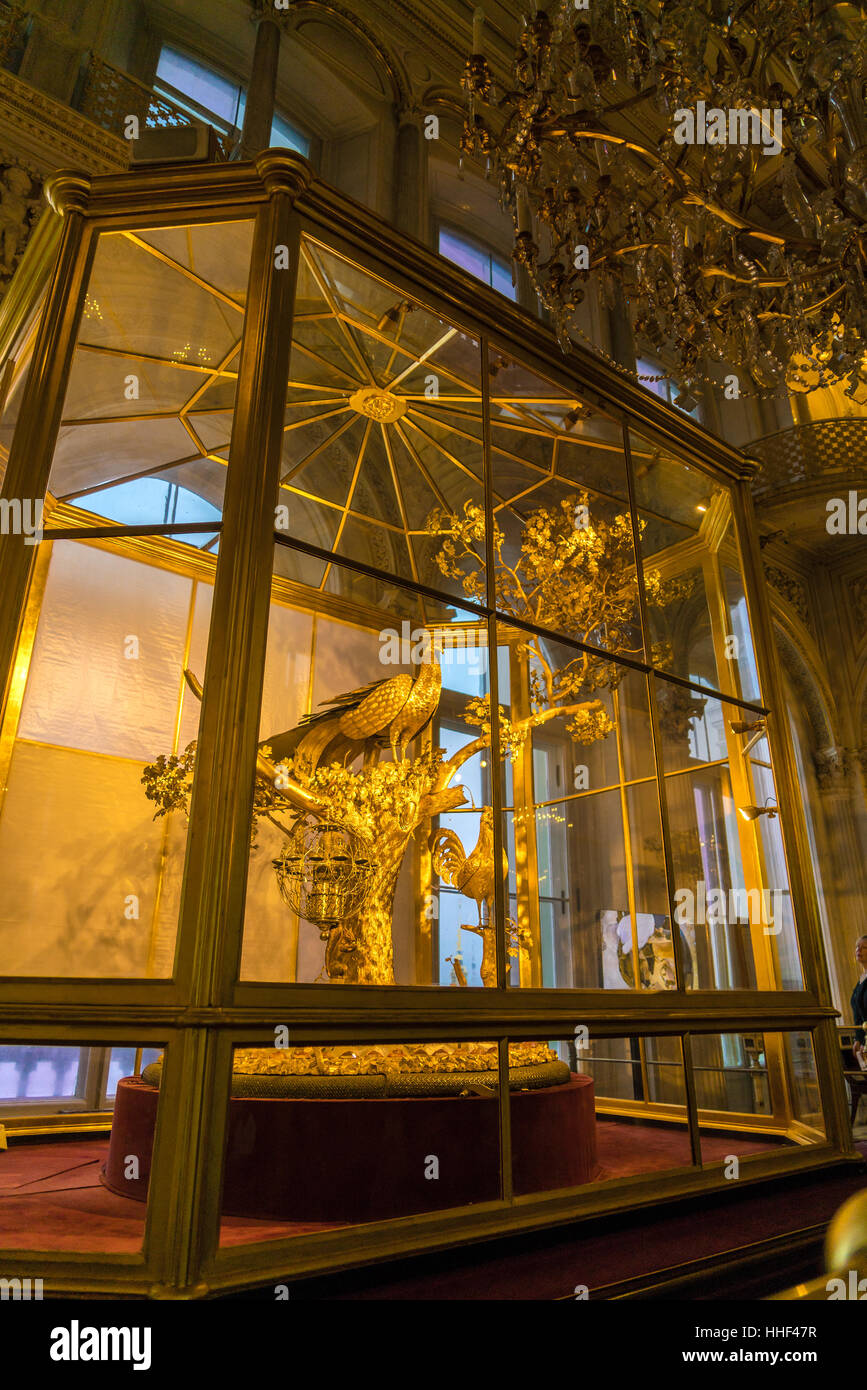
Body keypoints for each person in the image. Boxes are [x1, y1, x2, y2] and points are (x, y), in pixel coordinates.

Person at [852, 934, 867, 1061]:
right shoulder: (862, 978)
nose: (858, 950)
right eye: (857, 947)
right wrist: (858, 1038)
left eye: (864, 947)